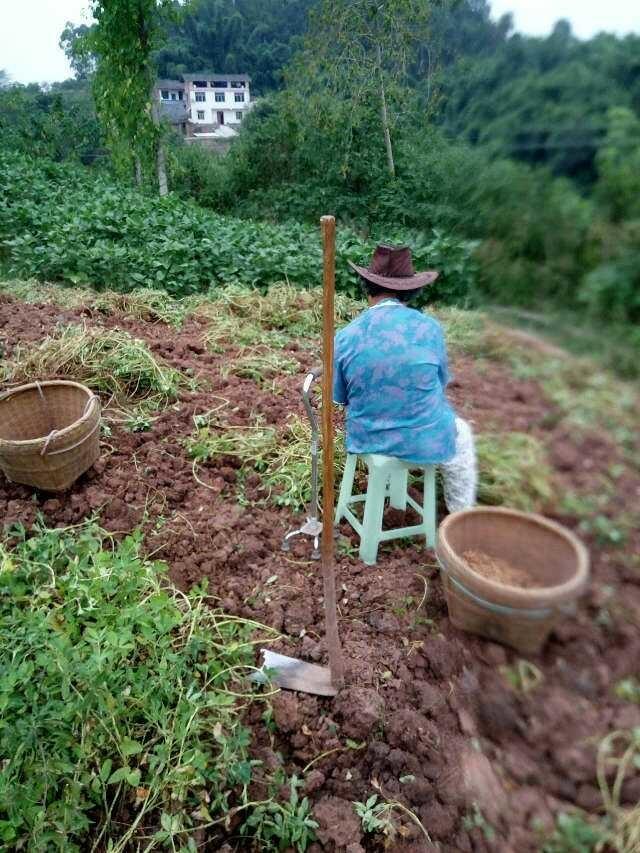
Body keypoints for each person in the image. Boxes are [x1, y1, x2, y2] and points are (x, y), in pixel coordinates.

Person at [333, 243, 477, 512]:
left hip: (368, 437)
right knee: (463, 435)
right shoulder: (430, 328)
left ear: (368, 286)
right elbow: (440, 382)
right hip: (425, 437)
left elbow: (340, 397)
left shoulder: (345, 336)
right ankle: (461, 520)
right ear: (410, 290)